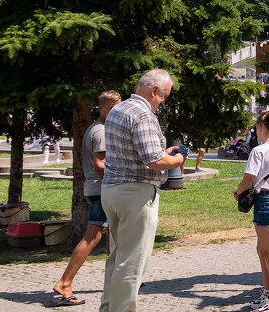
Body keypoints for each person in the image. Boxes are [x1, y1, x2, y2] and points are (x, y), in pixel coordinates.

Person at [100, 70, 185, 312]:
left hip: (112, 190)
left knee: (117, 258)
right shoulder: (144, 115)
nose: (163, 102)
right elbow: (154, 161)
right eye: (164, 96)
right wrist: (177, 159)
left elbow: (135, 151)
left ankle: (108, 308)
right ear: (154, 90)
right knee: (132, 262)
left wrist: (163, 154)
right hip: (135, 193)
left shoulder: (118, 109)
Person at [52, 90, 121, 305]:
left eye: (117, 108)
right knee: (93, 236)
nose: (115, 112)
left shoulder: (99, 128)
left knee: (113, 234)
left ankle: (116, 280)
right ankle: (64, 282)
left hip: (98, 188)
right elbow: (99, 166)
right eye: (111, 109)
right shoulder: (100, 131)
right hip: (100, 188)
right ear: (100, 108)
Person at [234, 110, 269, 312]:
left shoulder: (258, 150)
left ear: (260, 127)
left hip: (265, 201)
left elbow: (248, 179)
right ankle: (268, 293)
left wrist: (239, 192)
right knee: (262, 250)